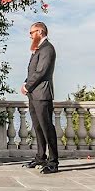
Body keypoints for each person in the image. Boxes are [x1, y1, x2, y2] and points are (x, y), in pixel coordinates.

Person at [20, 22, 58, 174]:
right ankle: (40, 157)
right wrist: (26, 83)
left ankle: (53, 161)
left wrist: (27, 86)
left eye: (32, 33)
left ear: (40, 32)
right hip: (34, 94)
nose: (30, 36)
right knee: (38, 127)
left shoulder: (47, 48)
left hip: (42, 94)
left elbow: (41, 71)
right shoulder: (37, 49)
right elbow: (32, 71)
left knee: (47, 127)